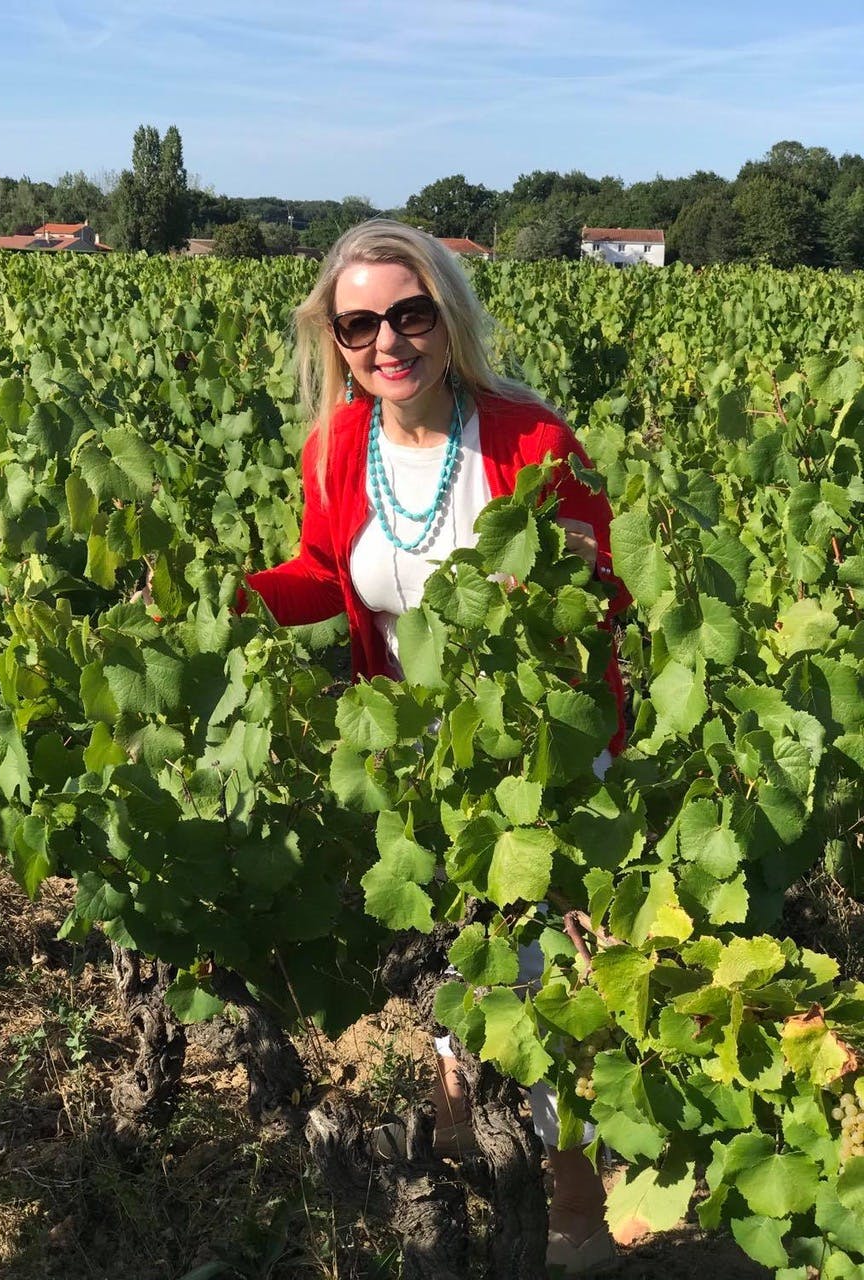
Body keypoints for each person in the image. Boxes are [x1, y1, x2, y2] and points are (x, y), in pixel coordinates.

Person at [240, 220, 629, 1274]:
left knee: (538, 992)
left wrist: (567, 580)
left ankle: (579, 1207)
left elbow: (613, 595)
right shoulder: (335, 449)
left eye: (409, 313)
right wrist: (230, 600)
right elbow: (329, 574)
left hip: (536, 760)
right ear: (335, 337)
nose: (387, 340)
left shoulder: (529, 440)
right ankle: (468, 1118)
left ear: (447, 315)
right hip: (421, 763)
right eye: (358, 322)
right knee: (456, 962)